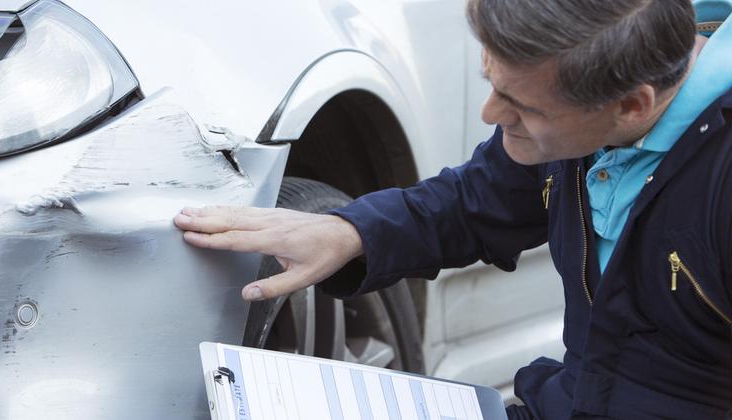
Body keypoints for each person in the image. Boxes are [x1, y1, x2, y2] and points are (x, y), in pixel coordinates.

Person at [175, 0, 732, 418]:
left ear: (631, 104)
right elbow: (478, 200)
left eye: (519, 105)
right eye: (491, 83)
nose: (491, 114)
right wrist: (349, 233)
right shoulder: (582, 112)